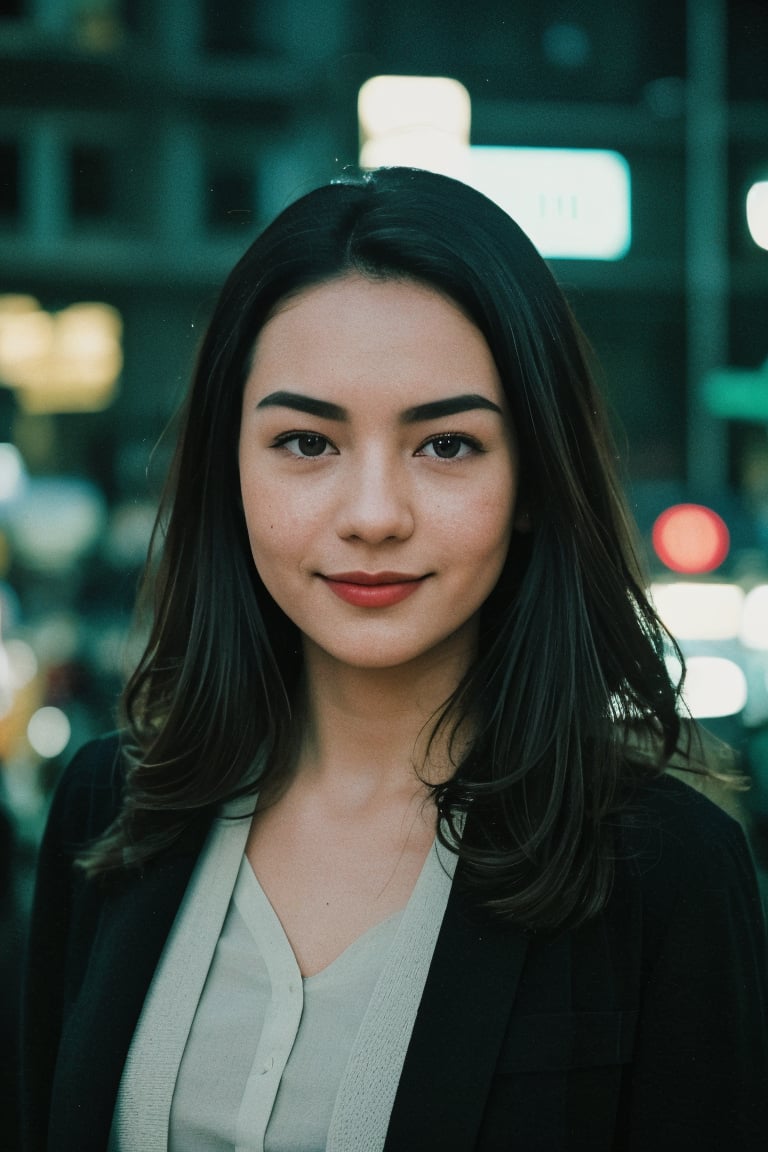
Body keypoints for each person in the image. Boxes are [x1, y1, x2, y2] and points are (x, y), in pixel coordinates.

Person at [22, 167, 768, 1152]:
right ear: (229, 470)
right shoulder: (109, 808)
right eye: (305, 442)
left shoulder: (666, 872)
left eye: (447, 446)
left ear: (535, 478)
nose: (374, 515)